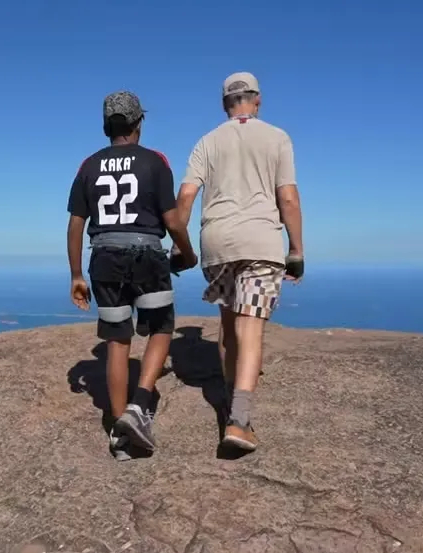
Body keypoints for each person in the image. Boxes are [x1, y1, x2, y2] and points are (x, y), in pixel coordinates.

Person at [174, 72, 305, 452]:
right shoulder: (277, 138)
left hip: (216, 240)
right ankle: (239, 420)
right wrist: (296, 250)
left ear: (224, 104)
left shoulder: (207, 141)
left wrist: (179, 246)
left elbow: (186, 196)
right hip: (260, 240)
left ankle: (231, 395)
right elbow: (288, 198)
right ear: (257, 100)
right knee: (251, 326)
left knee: (229, 321)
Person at [66, 90, 197, 460]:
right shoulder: (156, 161)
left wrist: (76, 274)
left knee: (117, 342)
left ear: (106, 127)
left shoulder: (88, 166)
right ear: (139, 123)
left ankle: (119, 434)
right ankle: (139, 406)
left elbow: (76, 224)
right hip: (147, 257)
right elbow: (172, 220)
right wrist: (187, 253)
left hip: (104, 258)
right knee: (161, 327)